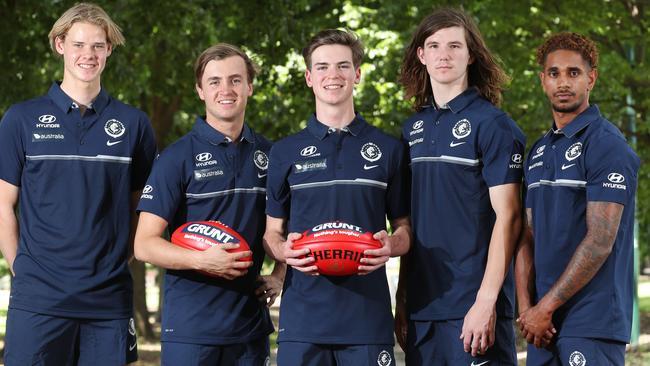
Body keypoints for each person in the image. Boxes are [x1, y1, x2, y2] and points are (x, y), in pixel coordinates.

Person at [0, 3, 156, 365]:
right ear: (59, 45)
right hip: (38, 300)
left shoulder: (134, 124)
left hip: (108, 300)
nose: (89, 55)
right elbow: (4, 204)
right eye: (79, 45)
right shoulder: (20, 119)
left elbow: (143, 208)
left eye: (98, 46)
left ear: (109, 50)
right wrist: (18, 265)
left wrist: (122, 258)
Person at [263, 29, 411, 366]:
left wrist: (391, 245)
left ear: (357, 75)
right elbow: (272, 232)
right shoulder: (284, 152)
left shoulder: (389, 149)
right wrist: (283, 250)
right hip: (302, 322)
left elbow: (405, 229)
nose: (333, 75)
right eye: (323, 67)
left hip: (367, 320)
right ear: (308, 77)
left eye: (343, 66)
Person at [134, 43, 284, 366]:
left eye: (235, 80)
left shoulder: (273, 156)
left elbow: (292, 228)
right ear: (200, 90)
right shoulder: (175, 158)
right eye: (214, 81)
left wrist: (281, 275)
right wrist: (203, 260)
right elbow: (144, 245)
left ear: (250, 87)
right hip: (190, 331)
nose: (225, 90)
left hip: (250, 329)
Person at [396, 8, 525, 365]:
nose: (444, 54)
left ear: (471, 55)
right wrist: (403, 299)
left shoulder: (494, 126)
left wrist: (485, 302)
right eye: (434, 45)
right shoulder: (412, 130)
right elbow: (411, 222)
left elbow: (510, 218)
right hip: (424, 308)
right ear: (421, 56)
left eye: (455, 45)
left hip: (474, 305)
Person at [515, 32, 640, 366]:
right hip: (542, 326)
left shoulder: (607, 145)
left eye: (574, 73)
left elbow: (600, 240)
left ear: (591, 79)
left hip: (592, 322)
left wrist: (544, 307)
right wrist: (528, 310)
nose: (563, 82)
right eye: (554, 73)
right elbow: (527, 235)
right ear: (543, 80)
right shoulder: (539, 151)